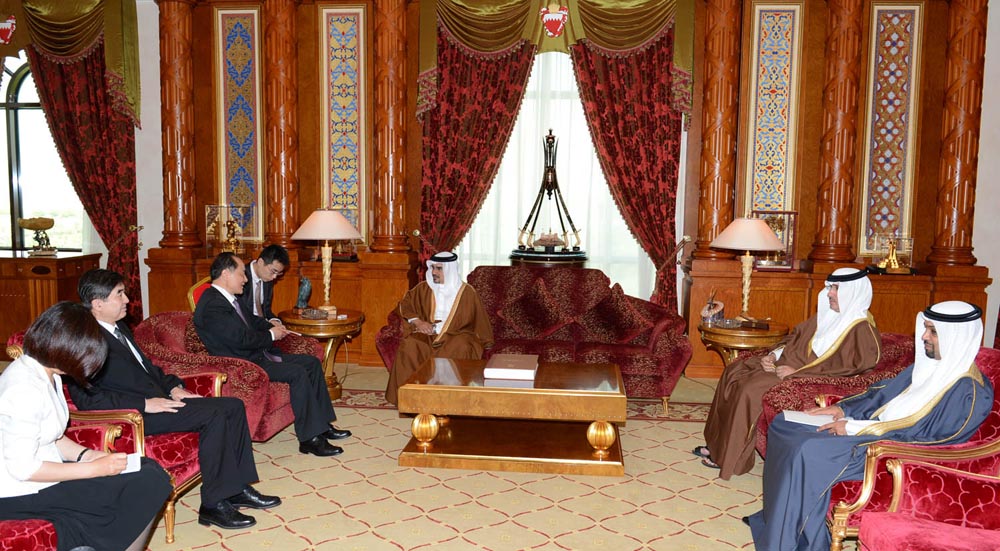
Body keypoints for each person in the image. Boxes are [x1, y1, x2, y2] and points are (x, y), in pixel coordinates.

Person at [747, 301, 994, 551]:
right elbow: (880, 394)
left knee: (808, 449)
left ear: (956, 337)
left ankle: (799, 543)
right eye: (926, 329)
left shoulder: (970, 391)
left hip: (885, 448)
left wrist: (856, 428)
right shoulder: (927, 366)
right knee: (785, 424)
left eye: (933, 332)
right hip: (868, 428)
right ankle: (776, 524)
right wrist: (843, 409)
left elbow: (932, 440)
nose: (923, 336)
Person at [70, 269, 281, 531]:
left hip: (158, 401)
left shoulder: (118, 327)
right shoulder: (84, 340)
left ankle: (236, 488)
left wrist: (173, 387)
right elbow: (88, 399)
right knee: (214, 415)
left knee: (233, 405)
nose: (127, 300)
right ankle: (213, 505)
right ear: (97, 303)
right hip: (132, 416)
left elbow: (147, 369)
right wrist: (145, 404)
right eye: (119, 294)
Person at [0, 301, 172, 551]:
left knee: (147, 468)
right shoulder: (23, 389)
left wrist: (87, 455)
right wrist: (92, 469)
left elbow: (52, 436)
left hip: (46, 473)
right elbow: (24, 469)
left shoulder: (46, 372)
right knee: (148, 482)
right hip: (20, 491)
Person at [698, 267, 882, 479]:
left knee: (750, 389)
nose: (829, 293)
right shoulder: (828, 314)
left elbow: (849, 372)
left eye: (836, 288)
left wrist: (796, 374)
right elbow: (794, 339)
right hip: (784, 365)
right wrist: (773, 356)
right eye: (830, 287)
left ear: (853, 292)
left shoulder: (862, 330)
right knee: (735, 370)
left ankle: (730, 459)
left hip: (803, 379)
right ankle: (717, 446)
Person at [194, 252, 349, 457]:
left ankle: (322, 425)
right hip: (243, 364)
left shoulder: (229, 299)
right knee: (297, 373)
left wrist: (272, 326)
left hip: (255, 354)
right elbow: (240, 339)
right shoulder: (213, 305)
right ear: (225, 274)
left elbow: (251, 321)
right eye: (242, 274)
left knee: (311, 363)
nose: (245, 279)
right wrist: (271, 335)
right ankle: (309, 439)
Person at [385, 251, 494, 405]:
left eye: (439, 269)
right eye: (433, 268)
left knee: (461, 346)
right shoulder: (423, 288)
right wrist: (418, 322)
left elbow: (472, 320)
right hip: (428, 334)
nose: (434, 272)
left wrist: (440, 329)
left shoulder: (467, 293)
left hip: (456, 335)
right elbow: (405, 304)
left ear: (450, 269)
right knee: (410, 345)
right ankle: (410, 400)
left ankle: (448, 401)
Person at [238, 244, 289, 323]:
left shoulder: (267, 279)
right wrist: (265, 325)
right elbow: (241, 314)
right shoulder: (240, 276)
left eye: (278, 273)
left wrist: (274, 321)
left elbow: (266, 311)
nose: (274, 277)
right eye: (273, 271)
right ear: (261, 262)